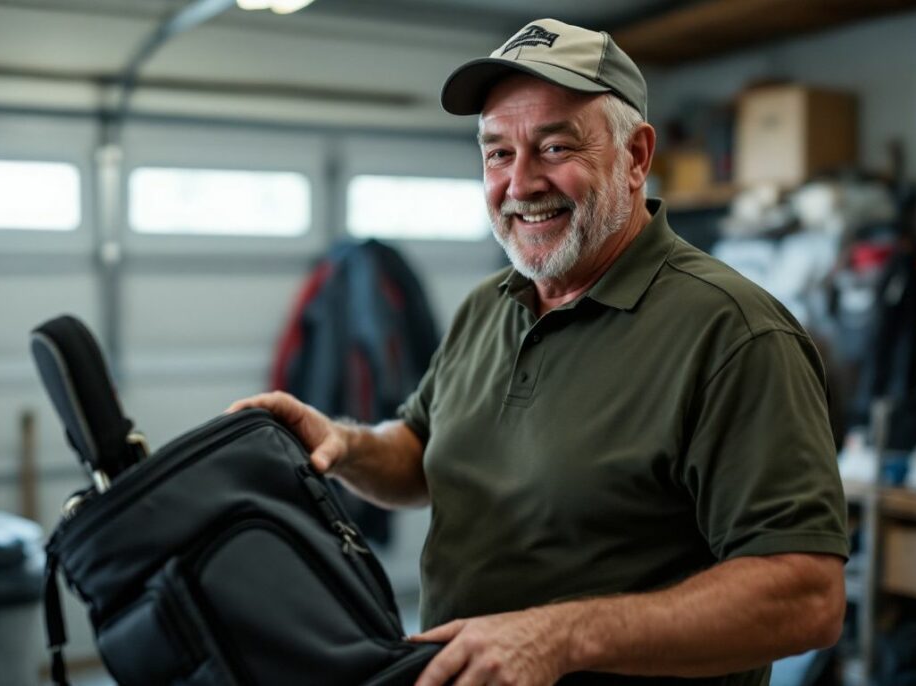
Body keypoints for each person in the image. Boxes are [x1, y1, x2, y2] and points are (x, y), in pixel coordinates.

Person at [229, 17, 847, 686]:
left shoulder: (733, 334)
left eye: (554, 147)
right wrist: (343, 444)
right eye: (497, 153)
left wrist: (562, 636)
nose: (520, 183)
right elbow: (422, 455)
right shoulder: (490, 305)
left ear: (637, 156)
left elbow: (806, 596)